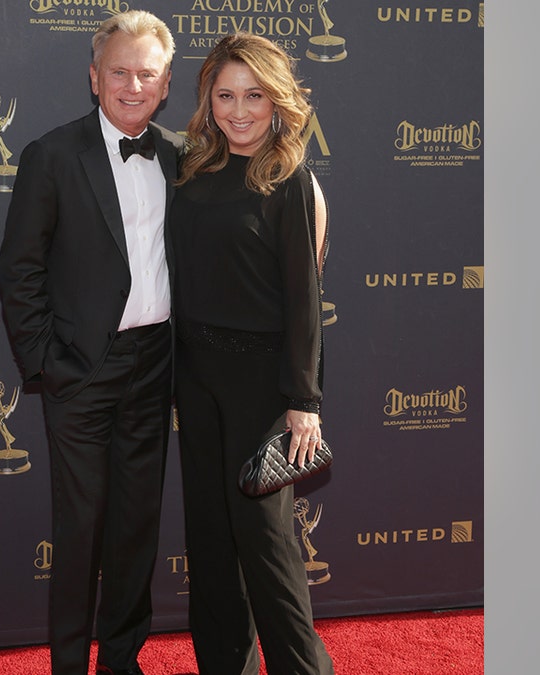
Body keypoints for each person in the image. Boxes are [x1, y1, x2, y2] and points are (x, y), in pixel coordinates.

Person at [0, 11, 183, 675]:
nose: (134, 84)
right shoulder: (52, 155)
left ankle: (122, 661)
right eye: (120, 71)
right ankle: (70, 664)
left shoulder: (183, 154)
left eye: (148, 73)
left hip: (156, 363)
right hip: (81, 370)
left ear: (165, 84)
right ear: (95, 78)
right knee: (81, 530)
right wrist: (48, 364)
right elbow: (17, 270)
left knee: (136, 528)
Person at [170, 34, 334, 675]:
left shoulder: (291, 180)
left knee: (266, 547)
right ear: (208, 100)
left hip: (263, 387)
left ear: (279, 101)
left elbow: (305, 301)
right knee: (209, 542)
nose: (239, 111)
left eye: (255, 96)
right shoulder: (191, 173)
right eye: (226, 95)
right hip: (197, 377)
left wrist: (304, 403)